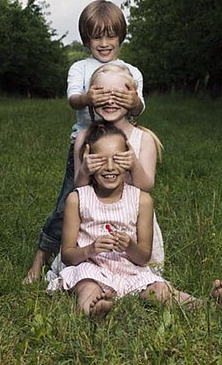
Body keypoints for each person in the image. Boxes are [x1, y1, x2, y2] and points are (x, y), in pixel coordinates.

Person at [49, 123, 222, 317]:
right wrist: (91, 249)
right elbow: (68, 255)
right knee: (88, 287)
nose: (110, 167)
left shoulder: (142, 200)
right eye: (100, 160)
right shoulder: (77, 198)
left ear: (129, 159)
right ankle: (94, 311)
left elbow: (144, 256)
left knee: (161, 291)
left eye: (118, 159)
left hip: (130, 270)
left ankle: (204, 305)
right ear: (88, 160)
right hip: (91, 268)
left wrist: (129, 246)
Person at [24, 0, 145, 283]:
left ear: (121, 36)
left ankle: (119, 263)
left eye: (110, 35)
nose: (104, 43)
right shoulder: (80, 68)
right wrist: (88, 98)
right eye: (96, 36)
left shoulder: (131, 71)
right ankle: (39, 260)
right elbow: (72, 99)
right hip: (85, 149)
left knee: (120, 203)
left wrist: (133, 101)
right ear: (86, 38)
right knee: (70, 202)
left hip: (118, 149)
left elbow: (140, 108)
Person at [47, 62, 164, 278]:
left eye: (118, 94)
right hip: (92, 225)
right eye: (102, 93)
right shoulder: (84, 137)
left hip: (131, 226)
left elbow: (147, 186)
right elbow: (80, 190)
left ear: (132, 98)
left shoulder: (143, 138)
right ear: (91, 97)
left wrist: (133, 165)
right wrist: (85, 170)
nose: (110, 101)